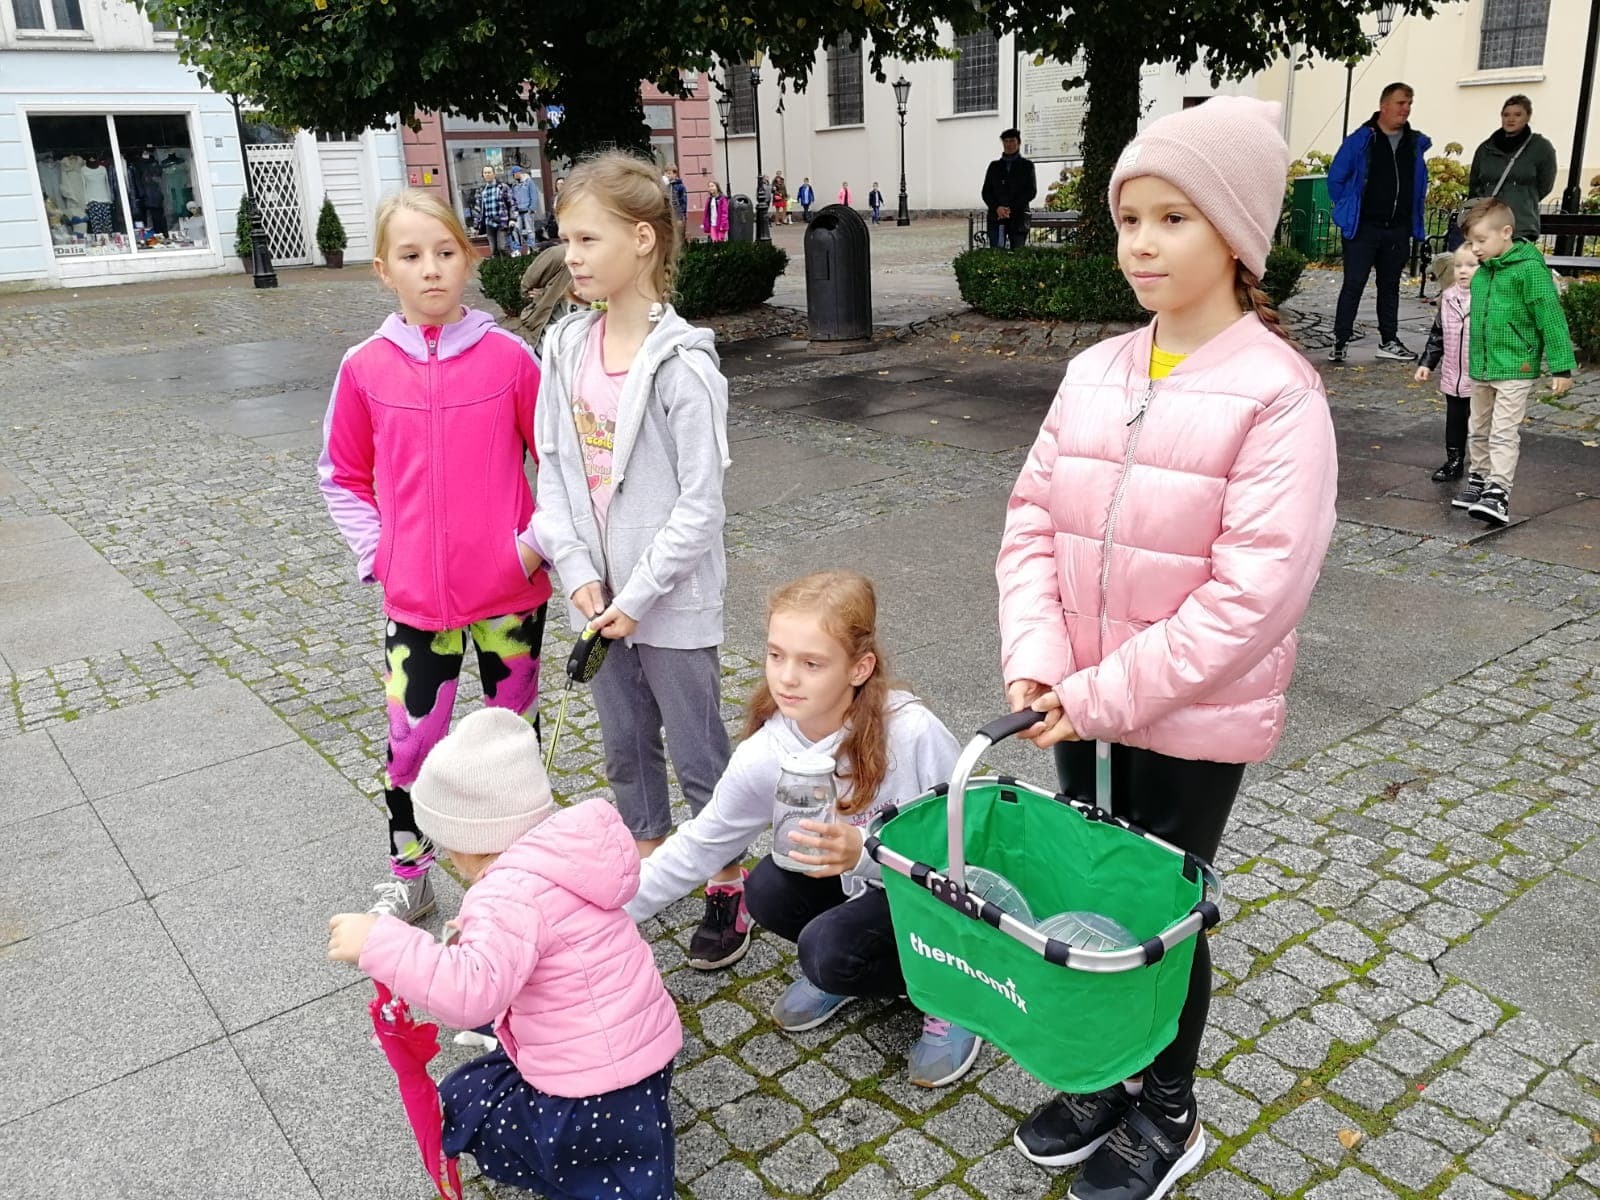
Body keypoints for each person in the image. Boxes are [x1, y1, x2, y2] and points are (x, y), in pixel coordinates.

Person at [997, 97, 1337, 1200]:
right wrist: (1039, 658)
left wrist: (1098, 694)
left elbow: (1251, 599)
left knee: (1161, 912)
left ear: (1234, 235)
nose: (1140, 243)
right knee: (1086, 896)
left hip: (1187, 720)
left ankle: (1170, 1107)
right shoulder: (1096, 369)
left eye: (1173, 218)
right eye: (1129, 218)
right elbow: (1032, 518)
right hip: (1073, 698)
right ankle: (1106, 1072)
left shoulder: (1278, 398)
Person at [624, 571, 984, 1087]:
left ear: (859, 668)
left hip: (935, 902)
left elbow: (970, 845)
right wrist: (605, 913)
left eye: (811, 663)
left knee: (825, 950)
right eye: (776, 655)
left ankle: (954, 992)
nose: (787, 678)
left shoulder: (912, 733)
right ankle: (853, 971)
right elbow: (702, 843)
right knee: (766, 889)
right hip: (863, 889)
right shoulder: (766, 752)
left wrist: (865, 853)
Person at [327, 709, 681, 1200]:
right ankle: (626, 1164)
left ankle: (586, 1175)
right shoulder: (563, 861)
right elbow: (547, 936)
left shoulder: (505, 894)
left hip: (589, 1089)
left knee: (470, 1106)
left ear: (468, 843)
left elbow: (468, 994)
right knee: (616, 1152)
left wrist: (380, 941)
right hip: (645, 1056)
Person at [531, 152, 742, 967]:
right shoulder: (565, 348)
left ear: (643, 239)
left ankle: (725, 881)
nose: (572, 256)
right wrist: (578, 574)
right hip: (598, 600)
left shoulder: (684, 366)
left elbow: (700, 505)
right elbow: (554, 472)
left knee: (697, 749)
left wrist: (641, 592)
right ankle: (649, 866)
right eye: (567, 239)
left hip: (670, 601)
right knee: (624, 745)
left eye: (588, 239)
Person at [318, 189, 551, 923]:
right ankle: (411, 871)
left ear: (468, 258)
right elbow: (341, 476)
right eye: (412, 256)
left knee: (512, 746)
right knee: (411, 743)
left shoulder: (510, 359)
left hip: (511, 598)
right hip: (416, 604)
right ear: (384, 269)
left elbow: (561, 465)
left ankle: (517, 881)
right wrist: (381, 553)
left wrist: (529, 546)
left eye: (446, 252)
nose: (431, 269)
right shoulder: (364, 368)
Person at [1451, 196, 1576, 526]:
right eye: (1471, 242)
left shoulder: (1529, 271)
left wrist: (1561, 366)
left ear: (1506, 232)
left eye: (1481, 240)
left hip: (1515, 366)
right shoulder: (1482, 274)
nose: (1475, 248)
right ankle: (1479, 478)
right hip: (1482, 366)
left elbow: (1550, 317)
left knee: (1503, 432)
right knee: (1478, 428)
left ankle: (1498, 492)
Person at [1326, 83, 1431, 363]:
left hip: (1397, 228)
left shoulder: (1413, 143)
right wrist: (1348, 209)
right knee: (1354, 284)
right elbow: (1336, 179)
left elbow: (1418, 184)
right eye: (1400, 103)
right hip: (1364, 227)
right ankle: (1340, 339)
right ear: (1384, 106)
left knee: (1390, 286)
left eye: (1409, 103)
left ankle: (1389, 340)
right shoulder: (1362, 140)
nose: (1406, 109)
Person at [1414, 248, 1477, 482]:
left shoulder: (1489, 298)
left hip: (1480, 374)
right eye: (1459, 266)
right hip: (1454, 373)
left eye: (1471, 266)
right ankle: (1454, 460)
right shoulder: (1448, 298)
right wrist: (1427, 363)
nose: (1463, 271)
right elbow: (1437, 334)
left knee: (1481, 423)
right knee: (1455, 420)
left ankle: (1484, 466)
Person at [1467, 95, 1558, 245]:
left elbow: (1545, 186)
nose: (1511, 119)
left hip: (1521, 225)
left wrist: (1523, 200)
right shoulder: (1485, 149)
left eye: (1517, 114)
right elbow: (1475, 186)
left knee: (1516, 259)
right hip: (1488, 225)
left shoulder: (1541, 148)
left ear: (1528, 117)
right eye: (1506, 115)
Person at [519, 242, 585, 355]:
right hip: (547, 336)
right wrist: (544, 293)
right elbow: (528, 284)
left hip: (581, 346)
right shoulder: (560, 254)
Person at [982, 127, 1037, 250]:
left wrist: (1010, 208)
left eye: (1012, 141)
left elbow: (1031, 191)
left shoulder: (1027, 166)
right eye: (1006, 141)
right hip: (996, 218)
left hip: (1018, 218)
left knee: (1017, 254)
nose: (1009, 144)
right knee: (996, 253)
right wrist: (997, 207)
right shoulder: (994, 166)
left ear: (1018, 143)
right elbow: (986, 192)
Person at [472, 165, 516, 257]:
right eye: (485, 173)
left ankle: (511, 263)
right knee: (493, 251)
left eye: (489, 172)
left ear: (494, 174)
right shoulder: (481, 190)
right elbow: (477, 209)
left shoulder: (502, 187)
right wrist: (476, 227)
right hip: (489, 223)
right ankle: (498, 265)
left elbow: (512, 203)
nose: (487, 175)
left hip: (502, 222)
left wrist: (512, 219)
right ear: (483, 175)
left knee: (502, 247)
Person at [508, 165, 541, 246]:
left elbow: (534, 196)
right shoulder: (514, 184)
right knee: (516, 230)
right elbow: (513, 198)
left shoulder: (529, 182)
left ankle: (531, 247)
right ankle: (518, 247)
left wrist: (531, 208)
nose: (514, 176)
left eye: (514, 174)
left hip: (527, 210)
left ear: (518, 173)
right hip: (518, 211)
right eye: (513, 175)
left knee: (530, 230)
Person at [664, 163, 689, 234]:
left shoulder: (680, 186)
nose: (667, 175)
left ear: (674, 174)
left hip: (677, 215)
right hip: (668, 216)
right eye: (666, 173)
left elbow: (683, 203)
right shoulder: (665, 185)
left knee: (678, 234)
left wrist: (681, 218)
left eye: (669, 173)